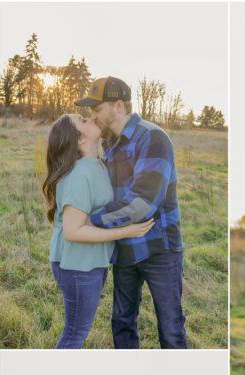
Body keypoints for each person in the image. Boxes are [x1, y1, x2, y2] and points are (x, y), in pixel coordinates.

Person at [74, 76, 187, 349]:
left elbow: (143, 203)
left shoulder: (153, 138)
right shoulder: (110, 143)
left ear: (119, 106)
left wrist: (90, 222)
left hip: (158, 248)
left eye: (97, 109)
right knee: (122, 322)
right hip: (124, 246)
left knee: (170, 328)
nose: (93, 116)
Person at [42, 113, 154, 348]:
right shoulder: (79, 174)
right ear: (80, 141)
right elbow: (74, 232)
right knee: (75, 333)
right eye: (83, 120)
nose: (91, 117)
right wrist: (126, 231)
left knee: (78, 329)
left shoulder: (97, 165)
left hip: (91, 263)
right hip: (77, 266)